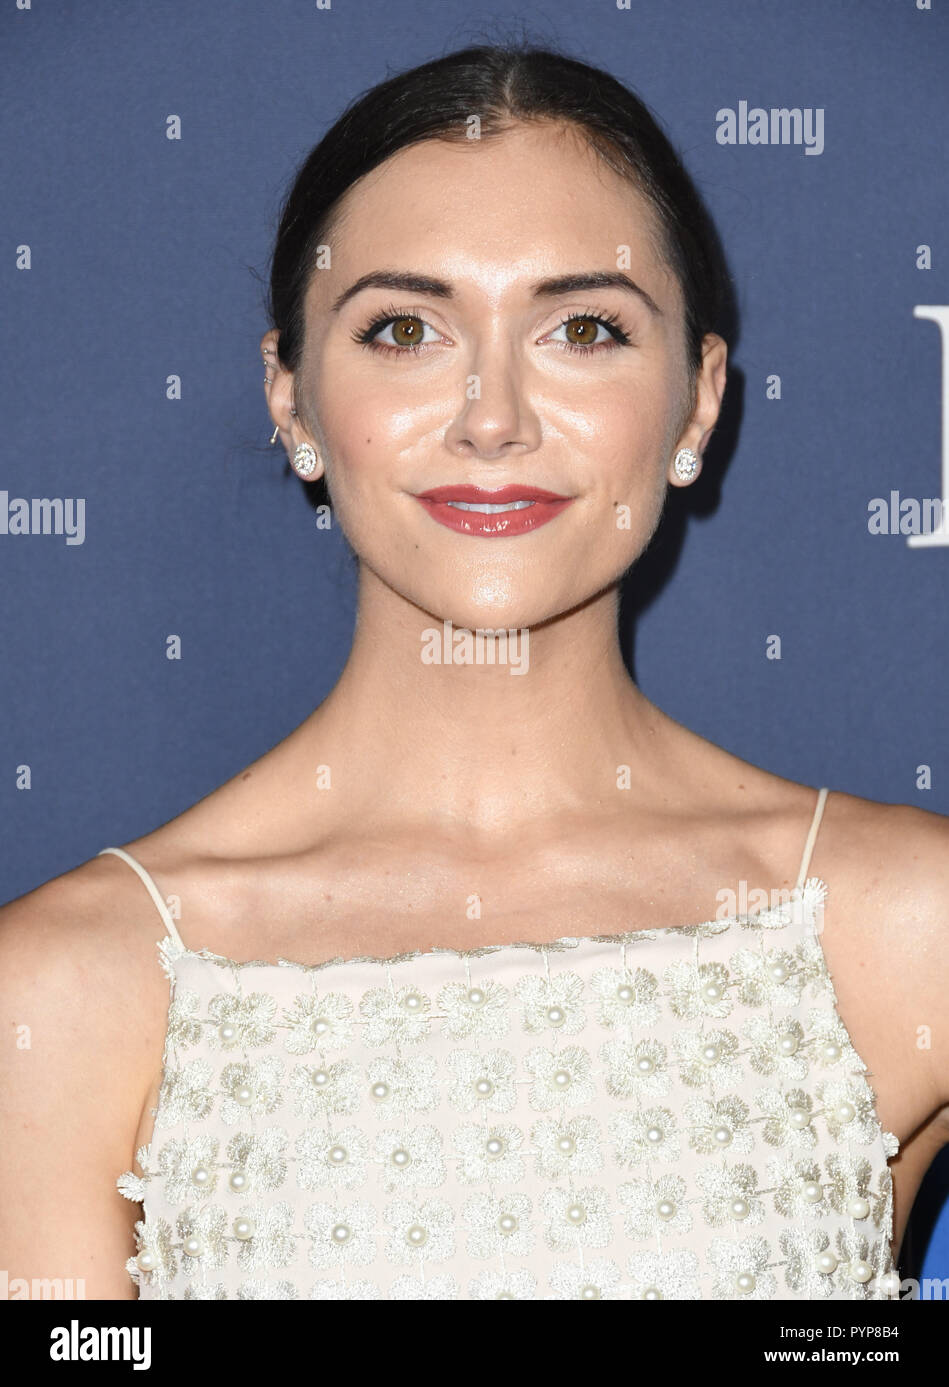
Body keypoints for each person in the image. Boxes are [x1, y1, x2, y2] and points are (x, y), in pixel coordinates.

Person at [2, 42, 946, 1302]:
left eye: (582, 329)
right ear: (291, 399)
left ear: (698, 401)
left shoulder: (906, 929)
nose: (490, 417)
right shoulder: (69, 988)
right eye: (403, 328)